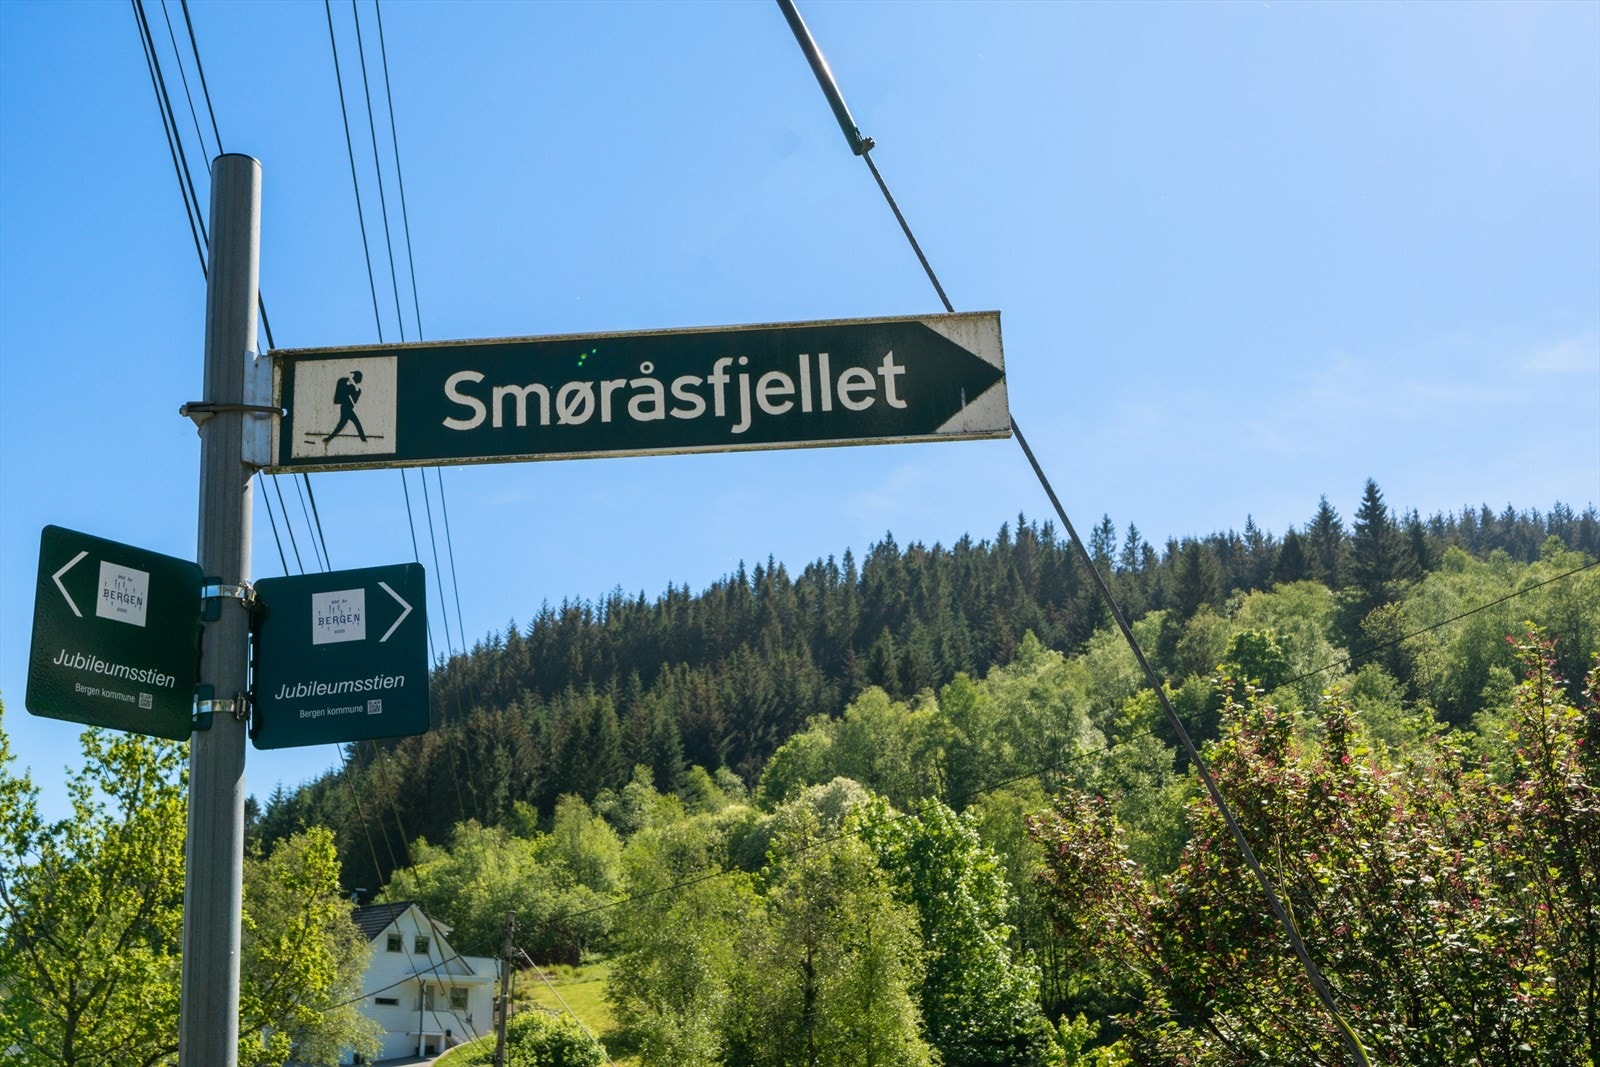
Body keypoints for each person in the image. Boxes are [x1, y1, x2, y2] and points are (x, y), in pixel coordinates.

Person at [324, 369, 367, 442]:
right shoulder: (347, 383)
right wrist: (353, 391)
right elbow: (344, 395)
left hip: (347, 408)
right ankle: (363, 439)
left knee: (341, 425)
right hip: (346, 408)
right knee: (356, 423)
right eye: (360, 377)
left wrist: (357, 392)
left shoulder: (355, 388)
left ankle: (328, 439)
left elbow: (354, 400)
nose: (360, 380)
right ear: (356, 377)